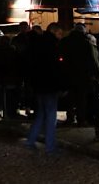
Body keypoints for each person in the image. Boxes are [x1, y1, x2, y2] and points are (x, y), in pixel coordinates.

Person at [25, 22, 65, 155]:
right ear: (54, 32)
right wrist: (61, 85)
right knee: (50, 116)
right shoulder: (53, 46)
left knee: (41, 114)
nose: (61, 36)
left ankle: (31, 140)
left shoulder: (37, 44)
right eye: (59, 33)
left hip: (39, 85)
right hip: (50, 86)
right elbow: (56, 69)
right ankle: (50, 146)